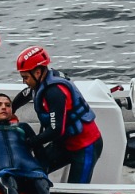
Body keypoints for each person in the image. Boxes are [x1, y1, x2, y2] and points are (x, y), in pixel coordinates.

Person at [11, 45, 104, 184]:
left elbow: (56, 130)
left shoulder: (54, 93)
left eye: (25, 77)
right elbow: (25, 95)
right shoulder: (40, 83)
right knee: (32, 171)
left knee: (76, 190)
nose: (24, 81)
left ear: (37, 72)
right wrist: (11, 110)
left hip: (86, 146)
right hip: (65, 144)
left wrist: (29, 143)